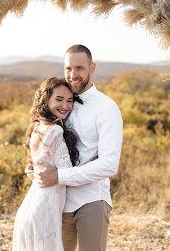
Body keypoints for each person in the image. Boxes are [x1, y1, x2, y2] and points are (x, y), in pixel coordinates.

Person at [26, 44, 123, 251]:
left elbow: (109, 164)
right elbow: (47, 142)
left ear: (92, 68)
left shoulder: (106, 108)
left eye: (79, 68)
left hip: (91, 200)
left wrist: (58, 176)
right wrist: (36, 165)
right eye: (68, 69)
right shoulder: (60, 101)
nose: (73, 74)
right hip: (58, 202)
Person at [12, 77, 80, 251]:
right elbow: (69, 174)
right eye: (59, 99)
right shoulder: (55, 130)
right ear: (46, 100)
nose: (65, 105)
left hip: (30, 206)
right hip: (45, 210)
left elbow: (37, 164)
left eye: (70, 100)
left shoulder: (36, 126)